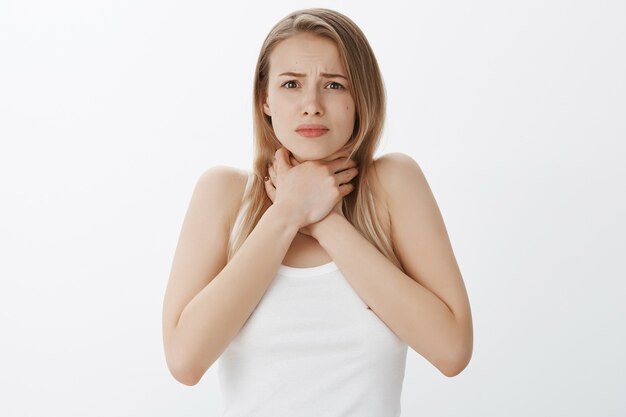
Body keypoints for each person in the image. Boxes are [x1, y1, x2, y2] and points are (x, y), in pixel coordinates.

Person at [162, 7, 473, 416]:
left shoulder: (394, 184)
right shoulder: (223, 195)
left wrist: (326, 222)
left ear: (360, 97)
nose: (312, 105)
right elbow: (185, 361)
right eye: (291, 83)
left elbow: (451, 350)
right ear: (265, 99)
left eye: (334, 85)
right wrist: (287, 213)